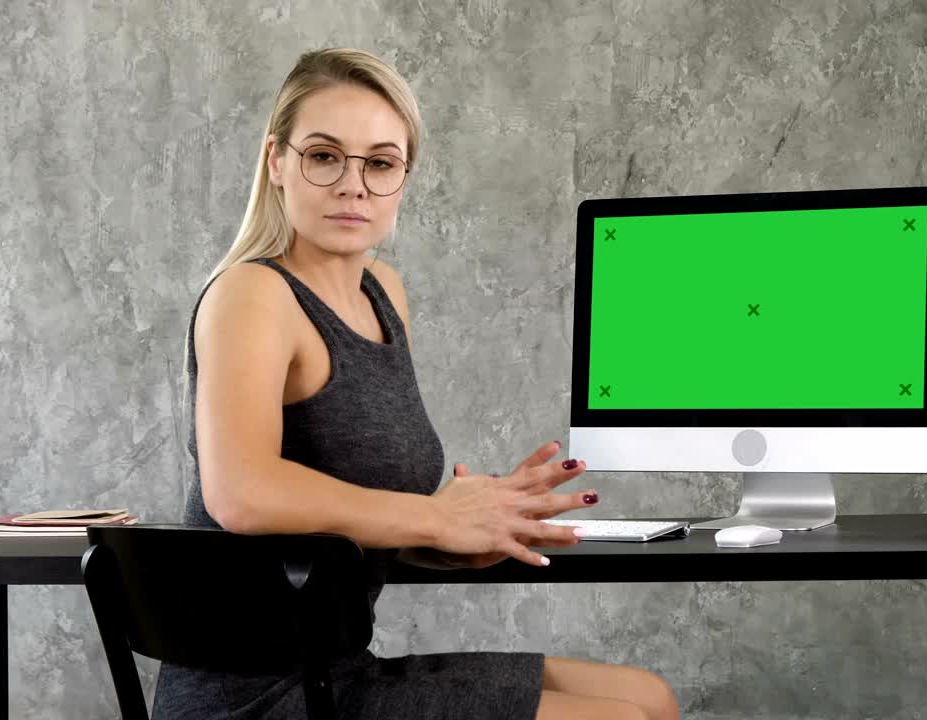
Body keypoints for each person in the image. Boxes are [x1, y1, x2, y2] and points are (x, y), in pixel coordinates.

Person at [157, 47, 680, 720]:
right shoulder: (252, 293)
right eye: (324, 156)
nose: (354, 185)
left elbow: (343, 515)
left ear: (403, 177)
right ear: (278, 162)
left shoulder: (383, 293)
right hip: (259, 696)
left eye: (380, 163)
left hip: (341, 669)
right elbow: (242, 494)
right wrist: (437, 515)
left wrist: (472, 528)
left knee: (650, 698)